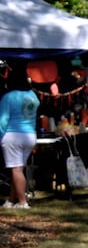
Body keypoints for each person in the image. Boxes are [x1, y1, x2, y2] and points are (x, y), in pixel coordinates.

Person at [0, 67, 39, 208]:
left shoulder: (8, 97)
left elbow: (2, 121)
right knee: (17, 169)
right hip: (30, 135)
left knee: (16, 170)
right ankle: (11, 200)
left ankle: (23, 202)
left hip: (12, 135)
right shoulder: (33, 96)